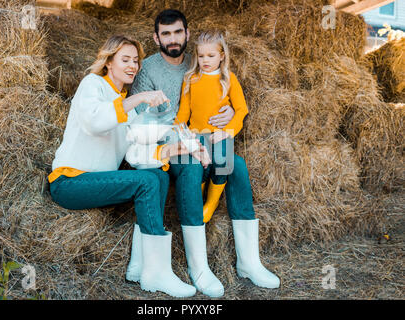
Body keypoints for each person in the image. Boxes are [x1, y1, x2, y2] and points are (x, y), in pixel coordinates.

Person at [128, 9, 280, 298]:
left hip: (209, 141)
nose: (172, 39)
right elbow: (140, 120)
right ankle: (200, 267)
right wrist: (181, 140)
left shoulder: (200, 62)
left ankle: (250, 262)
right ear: (156, 37)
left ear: (187, 34)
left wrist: (231, 113)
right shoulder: (148, 69)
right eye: (165, 33)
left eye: (177, 32)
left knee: (237, 166)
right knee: (191, 167)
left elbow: (224, 97)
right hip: (172, 148)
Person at [48, 35, 198, 298]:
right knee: (148, 181)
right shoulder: (92, 84)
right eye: (125, 59)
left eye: (136, 61)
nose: (133, 65)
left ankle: (141, 266)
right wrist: (138, 99)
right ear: (109, 63)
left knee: (157, 174)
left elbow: (134, 152)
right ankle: (159, 272)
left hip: (100, 182)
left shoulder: (125, 101)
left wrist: (173, 149)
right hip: (69, 182)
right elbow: (96, 121)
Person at [176, 30, 249, 223]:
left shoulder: (228, 79)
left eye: (211, 55)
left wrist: (226, 132)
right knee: (202, 164)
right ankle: (198, 201)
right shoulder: (191, 79)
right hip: (196, 133)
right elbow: (184, 113)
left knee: (222, 161)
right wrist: (181, 133)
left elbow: (242, 109)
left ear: (222, 56)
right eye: (201, 56)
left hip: (221, 135)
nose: (205, 60)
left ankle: (212, 203)